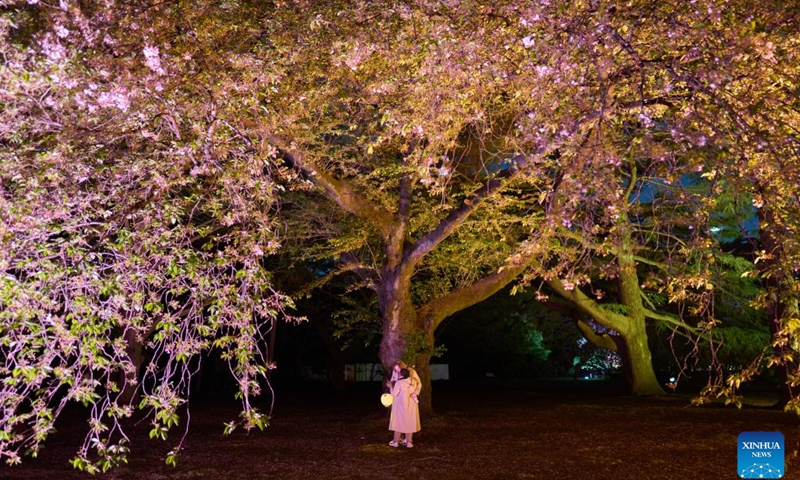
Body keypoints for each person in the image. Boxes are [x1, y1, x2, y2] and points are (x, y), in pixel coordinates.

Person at [387, 368, 420, 448]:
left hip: (401, 405)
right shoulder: (413, 381)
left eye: (399, 373)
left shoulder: (399, 383)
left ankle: (395, 441)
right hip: (411, 405)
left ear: (401, 374)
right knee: (410, 422)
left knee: (398, 422)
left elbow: (394, 394)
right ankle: (409, 442)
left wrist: (391, 386)